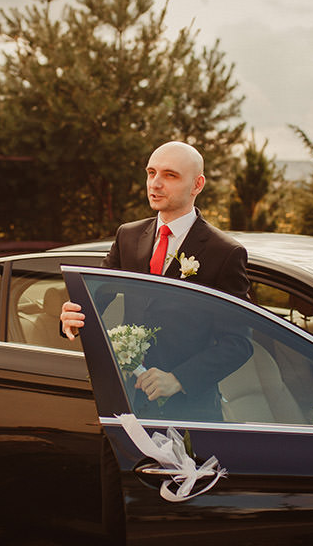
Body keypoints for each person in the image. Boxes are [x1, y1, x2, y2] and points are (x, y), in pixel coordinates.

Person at [60, 141, 251, 419]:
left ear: (197, 185)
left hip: (189, 413)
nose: (155, 183)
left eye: (170, 175)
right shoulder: (128, 236)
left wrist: (179, 379)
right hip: (125, 403)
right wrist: (72, 317)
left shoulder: (224, 252)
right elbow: (94, 300)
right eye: (151, 173)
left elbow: (238, 343)